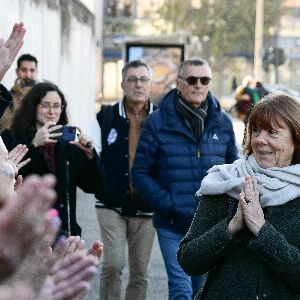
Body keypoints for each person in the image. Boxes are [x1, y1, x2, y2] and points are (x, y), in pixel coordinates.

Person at [132, 59, 239, 300]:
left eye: (205, 80)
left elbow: (234, 169)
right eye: (192, 80)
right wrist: (169, 204)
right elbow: (140, 173)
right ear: (179, 83)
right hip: (172, 224)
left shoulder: (222, 122)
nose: (198, 85)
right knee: (181, 289)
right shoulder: (157, 122)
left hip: (209, 226)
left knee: (202, 290)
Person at [177, 93, 300, 299]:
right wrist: (230, 227)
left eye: (272, 132)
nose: (260, 140)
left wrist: (262, 230)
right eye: (255, 130)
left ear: (296, 137)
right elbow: (189, 260)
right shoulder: (225, 182)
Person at [88, 60, 157, 300]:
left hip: (147, 207)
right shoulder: (105, 117)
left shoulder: (163, 118)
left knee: (140, 273)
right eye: (132, 79)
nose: (138, 84)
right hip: (110, 204)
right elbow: (92, 154)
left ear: (150, 84)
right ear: (122, 84)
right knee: (114, 264)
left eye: (143, 79)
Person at [1, 81, 103, 237]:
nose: (51, 111)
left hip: (64, 232)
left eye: (57, 106)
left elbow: (94, 185)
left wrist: (89, 154)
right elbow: (9, 178)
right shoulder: (11, 137)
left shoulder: (68, 144)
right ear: (33, 106)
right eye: (45, 105)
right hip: (27, 233)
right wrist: (34, 144)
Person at [0, 53, 38, 132]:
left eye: (32, 70)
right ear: (17, 72)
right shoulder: (8, 99)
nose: (28, 75)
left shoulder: (43, 97)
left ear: (36, 72)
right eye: (24, 70)